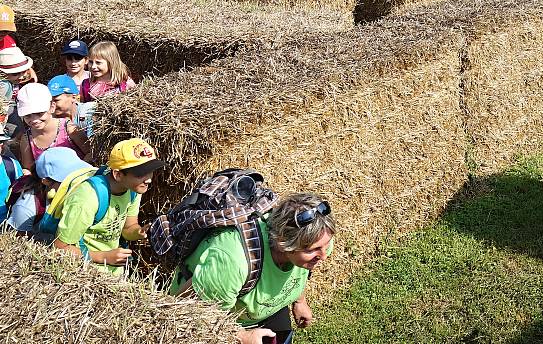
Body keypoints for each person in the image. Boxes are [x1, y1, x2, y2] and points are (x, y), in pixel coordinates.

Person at [169, 193, 336, 344]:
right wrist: (242, 336)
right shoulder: (233, 261)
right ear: (282, 243)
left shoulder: (318, 240)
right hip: (221, 320)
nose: (324, 255)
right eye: (311, 250)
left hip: (265, 310)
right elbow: (195, 312)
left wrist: (300, 301)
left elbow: (300, 269)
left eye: (325, 245)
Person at [53, 138, 163, 275]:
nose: (149, 179)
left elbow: (128, 227)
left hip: (114, 274)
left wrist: (140, 232)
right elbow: (60, 248)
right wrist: (104, 257)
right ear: (118, 175)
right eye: (140, 174)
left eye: (150, 171)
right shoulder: (87, 198)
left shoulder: (133, 189)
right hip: (85, 273)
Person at [6, 146, 93, 241]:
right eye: (67, 179)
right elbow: (18, 241)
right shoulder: (26, 208)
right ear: (46, 181)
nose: (76, 181)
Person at [17, 83, 89, 171]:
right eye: (27, 116)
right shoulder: (27, 139)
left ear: (52, 107)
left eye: (39, 113)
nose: (34, 119)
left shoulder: (69, 129)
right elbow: (28, 168)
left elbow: (90, 154)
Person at [0, 46, 37, 144]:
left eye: (24, 71)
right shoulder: (4, 86)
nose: (22, 76)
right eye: (16, 74)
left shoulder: (9, 82)